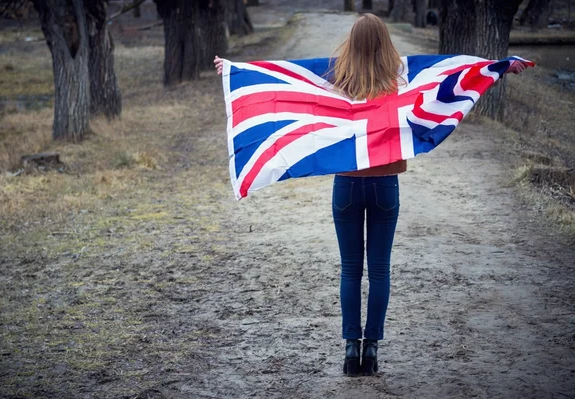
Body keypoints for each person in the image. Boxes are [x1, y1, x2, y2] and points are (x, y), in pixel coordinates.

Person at [214, 13, 527, 378]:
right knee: (378, 269)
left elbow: (288, 77)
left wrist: (235, 71)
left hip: (346, 185)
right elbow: (448, 75)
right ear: (385, 41)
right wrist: (500, 67)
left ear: (352, 42)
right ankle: (372, 349)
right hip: (385, 186)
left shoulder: (334, 76)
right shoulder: (402, 76)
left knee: (351, 269)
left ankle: (350, 349)